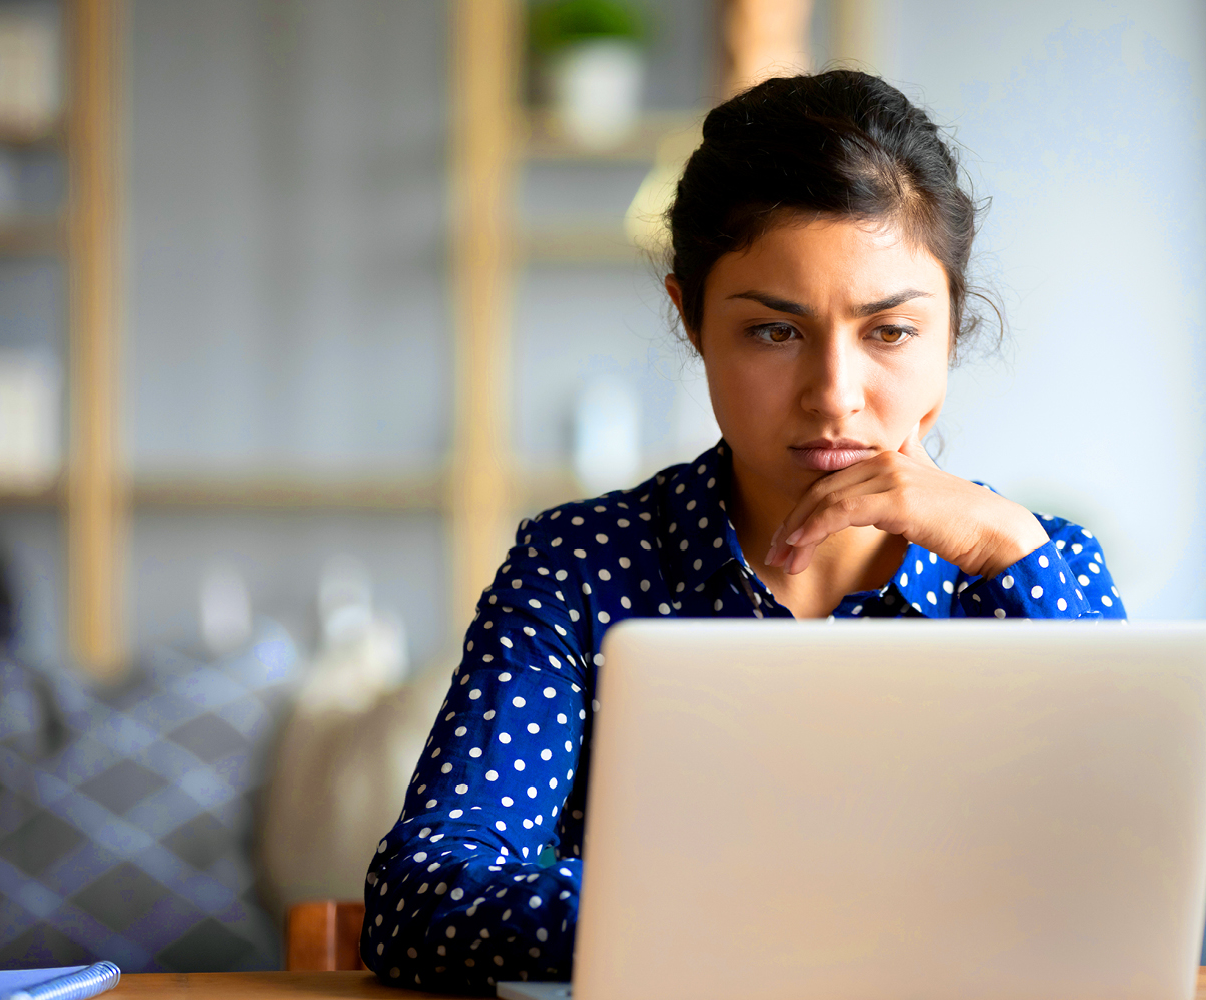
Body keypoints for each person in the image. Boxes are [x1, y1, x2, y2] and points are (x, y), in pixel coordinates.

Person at [361, 70, 1126, 993]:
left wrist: (1005, 550)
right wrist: (781, 917)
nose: (834, 395)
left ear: (951, 329)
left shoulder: (1039, 566)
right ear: (691, 319)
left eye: (889, 333)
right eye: (774, 332)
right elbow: (422, 900)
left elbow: (1118, 889)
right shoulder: (580, 570)